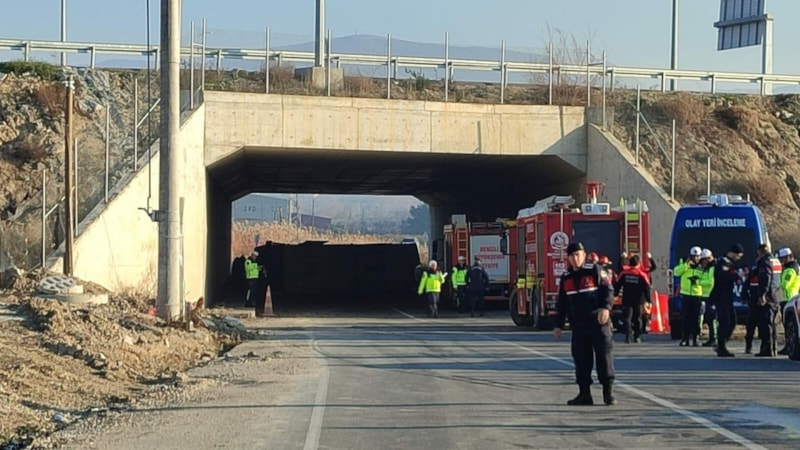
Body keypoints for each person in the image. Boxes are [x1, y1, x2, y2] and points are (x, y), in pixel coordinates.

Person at [554, 242, 616, 406]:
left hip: (598, 323)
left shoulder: (594, 270)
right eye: (572, 255)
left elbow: (608, 290)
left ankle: (607, 393)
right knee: (581, 359)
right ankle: (584, 394)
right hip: (579, 325)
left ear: (584, 254)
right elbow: (562, 302)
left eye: (578, 255)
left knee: (604, 356)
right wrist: (558, 324)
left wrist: (606, 308)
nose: (575, 258)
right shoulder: (566, 277)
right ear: (568, 258)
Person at [710, 244, 745, 357]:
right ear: (733, 253)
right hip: (721, 296)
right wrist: (736, 276)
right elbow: (722, 277)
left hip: (727, 296)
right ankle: (721, 346)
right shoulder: (723, 262)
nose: (738, 258)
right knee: (725, 322)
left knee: (732, 321)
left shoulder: (728, 263)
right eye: (738, 256)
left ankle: (722, 343)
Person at [745, 244, 778, 357]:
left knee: (766, 324)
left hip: (768, 297)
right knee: (771, 324)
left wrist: (762, 294)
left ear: (760, 251)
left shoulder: (765, 261)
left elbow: (766, 279)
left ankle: (767, 349)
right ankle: (773, 348)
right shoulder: (775, 260)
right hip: (776, 295)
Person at [614, 255, 651, 344]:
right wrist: (649, 301)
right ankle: (637, 336)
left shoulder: (624, 273)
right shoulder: (642, 275)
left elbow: (618, 285)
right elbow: (647, 289)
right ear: (638, 263)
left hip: (627, 299)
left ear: (629, 263)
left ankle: (628, 335)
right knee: (637, 318)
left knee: (627, 318)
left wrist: (615, 295)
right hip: (638, 301)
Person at [674, 246, 704, 347]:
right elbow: (676, 272)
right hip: (686, 295)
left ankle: (696, 338)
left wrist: (697, 280)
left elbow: (706, 278)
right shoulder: (684, 263)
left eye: (697, 256)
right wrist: (686, 265)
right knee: (686, 318)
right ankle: (685, 338)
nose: (696, 258)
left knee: (696, 318)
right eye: (694, 256)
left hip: (698, 295)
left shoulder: (703, 266)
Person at [777, 247, 800, 355]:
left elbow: (785, 285)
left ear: (788, 257)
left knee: (788, 326)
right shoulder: (794, 267)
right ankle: (788, 345)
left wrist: (777, 286)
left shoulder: (790, 269)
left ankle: (788, 346)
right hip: (791, 298)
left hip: (788, 298)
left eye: (783, 259)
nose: (781, 261)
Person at [698, 249, 717, 347]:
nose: (703, 262)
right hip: (706, 295)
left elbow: (710, 282)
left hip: (710, 296)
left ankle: (713, 338)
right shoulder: (708, 267)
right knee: (709, 318)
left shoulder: (712, 268)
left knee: (712, 318)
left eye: (704, 259)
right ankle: (712, 338)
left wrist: (698, 282)